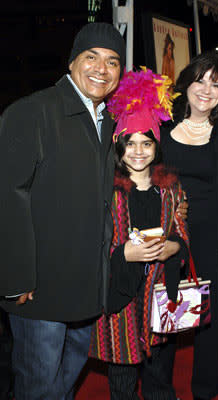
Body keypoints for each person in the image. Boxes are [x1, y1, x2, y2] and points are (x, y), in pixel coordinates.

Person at [0, 22, 125, 399]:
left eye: (113, 61)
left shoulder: (106, 119)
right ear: (72, 62)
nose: (101, 69)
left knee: (64, 384)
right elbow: (8, 193)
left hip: (87, 287)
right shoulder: (32, 111)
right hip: (40, 290)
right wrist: (17, 278)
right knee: (38, 387)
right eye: (91, 57)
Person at [88, 67, 189, 400]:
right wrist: (122, 253)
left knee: (159, 376)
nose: (139, 150)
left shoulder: (170, 190)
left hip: (159, 296)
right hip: (120, 301)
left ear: (156, 146)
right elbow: (91, 242)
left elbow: (182, 231)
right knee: (122, 381)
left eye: (147, 142)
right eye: (130, 143)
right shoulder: (108, 192)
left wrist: (174, 248)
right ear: (119, 146)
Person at [160, 52, 218, 400]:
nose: (206, 89)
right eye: (200, 80)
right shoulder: (160, 125)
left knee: (212, 322)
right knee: (166, 313)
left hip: (212, 235)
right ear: (185, 82)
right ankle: (160, 390)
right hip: (170, 235)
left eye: (216, 84)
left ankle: (206, 391)